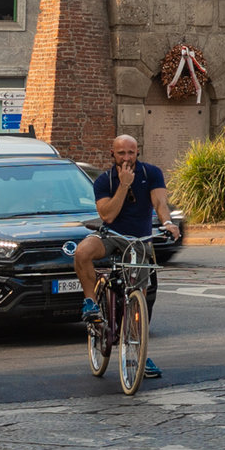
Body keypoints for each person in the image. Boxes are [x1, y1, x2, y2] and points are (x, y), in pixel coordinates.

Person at [75, 134, 169, 378]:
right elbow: (107, 216)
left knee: (139, 299)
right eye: (121, 153)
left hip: (139, 241)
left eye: (131, 152)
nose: (127, 158)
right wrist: (124, 185)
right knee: (82, 252)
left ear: (138, 152)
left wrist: (168, 221)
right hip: (112, 235)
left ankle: (139, 352)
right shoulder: (104, 180)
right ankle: (91, 302)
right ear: (112, 154)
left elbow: (159, 202)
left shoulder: (151, 174)